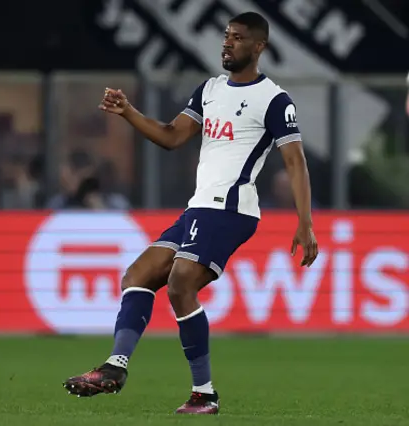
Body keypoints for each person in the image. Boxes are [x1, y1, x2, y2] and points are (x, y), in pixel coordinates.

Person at [62, 12, 319, 415]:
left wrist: (305, 224)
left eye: (237, 37)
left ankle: (205, 394)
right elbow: (172, 136)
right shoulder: (210, 90)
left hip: (231, 209)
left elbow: (295, 161)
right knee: (138, 275)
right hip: (199, 207)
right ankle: (115, 367)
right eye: (226, 35)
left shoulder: (274, 99)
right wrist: (128, 111)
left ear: (259, 47)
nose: (227, 43)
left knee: (181, 283)